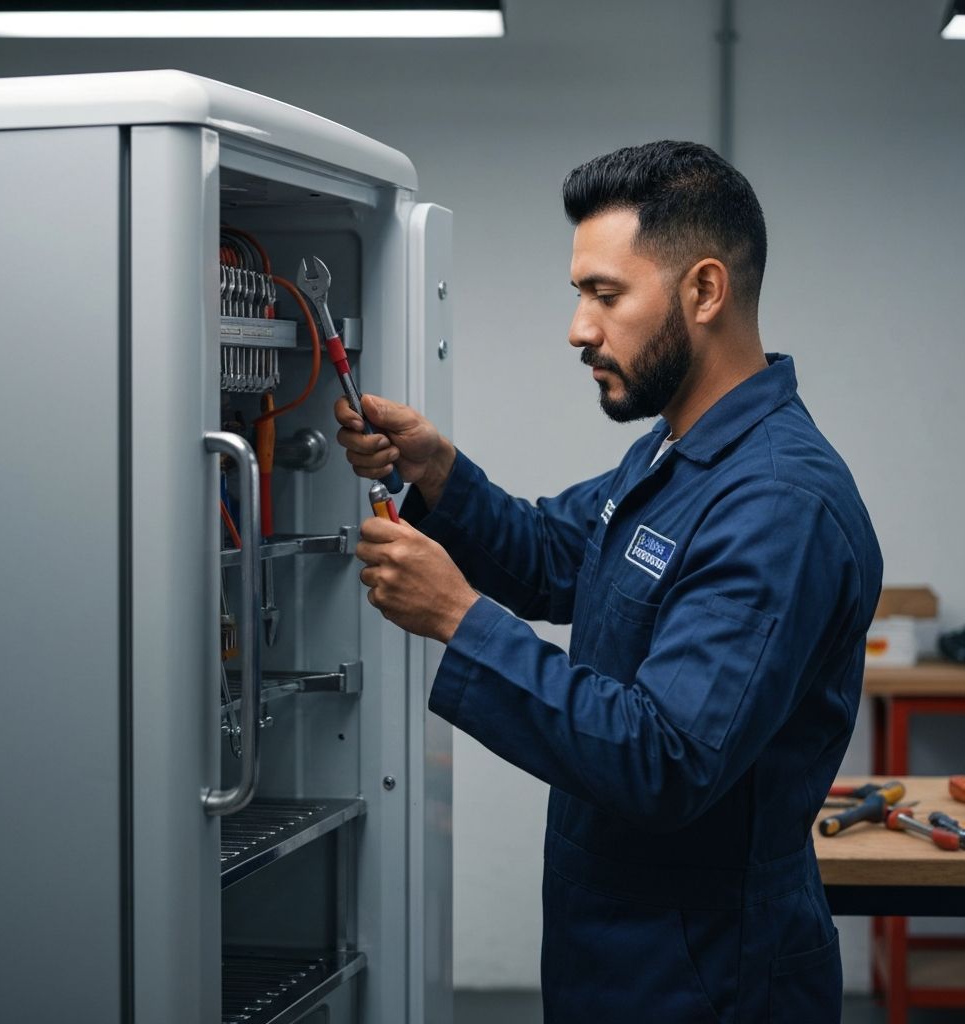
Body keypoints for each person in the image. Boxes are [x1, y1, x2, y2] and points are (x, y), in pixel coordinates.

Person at [336, 140, 882, 1023]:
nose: (579, 329)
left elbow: (666, 758)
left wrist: (459, 620)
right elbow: (560, 553)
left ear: (704, 291)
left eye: (606, 294)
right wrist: (435, 471)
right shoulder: (679, 451)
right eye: (579, 294)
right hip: (620, 951)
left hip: (708, 973)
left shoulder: (779, 504)